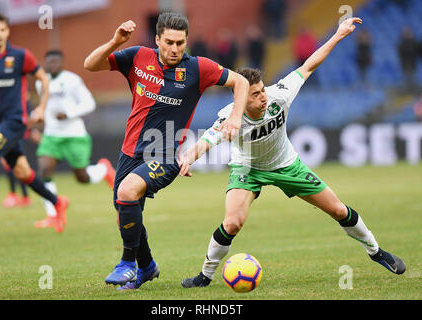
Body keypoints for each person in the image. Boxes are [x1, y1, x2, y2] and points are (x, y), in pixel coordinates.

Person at [179, 17, 406, 288]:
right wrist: (187, 159)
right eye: (254, 94)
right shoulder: (230, 118)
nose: (262, 97)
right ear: (240, 98)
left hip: (287, 164)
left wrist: (337, 35)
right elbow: (205, 141)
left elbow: (308, 66)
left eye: (262, 90)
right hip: (248, 170)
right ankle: (204, 276)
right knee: (232, 223)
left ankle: (376, 252)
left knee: (337, 209)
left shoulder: (279, 95)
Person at [84, 12, 249, 290]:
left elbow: (241, 82)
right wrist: (115, 41)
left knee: (126, 193)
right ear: (157, 39)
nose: (175, 49)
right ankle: (147, 266)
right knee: (125, 213)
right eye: (169, 42)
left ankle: (127, 265)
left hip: (164, 156)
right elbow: (90, 65)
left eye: (180, 43)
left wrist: (235, 116)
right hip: (129, 152)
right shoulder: (137, 57)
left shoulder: (197, 68)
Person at [0, 14, 69, 236]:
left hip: (15, 121)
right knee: (23, 171)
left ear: (7, 32)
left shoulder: (20, 56)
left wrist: (41, 108)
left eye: (2, 30)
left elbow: (43, 79)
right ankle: (58, 202)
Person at [34, 50, 116, 230]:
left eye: (57, 61)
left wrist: (69, 114)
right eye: (50, 61)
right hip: (51, 135)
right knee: (44, 171)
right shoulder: (41, 83)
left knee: (82, 177)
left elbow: (89, 103)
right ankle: (53, 214)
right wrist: (37, 122)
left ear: (62, 63)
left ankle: (103, 169)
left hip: (74, 134)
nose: (53, 64)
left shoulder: (72, 80)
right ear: (45, 63)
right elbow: (44, 108)